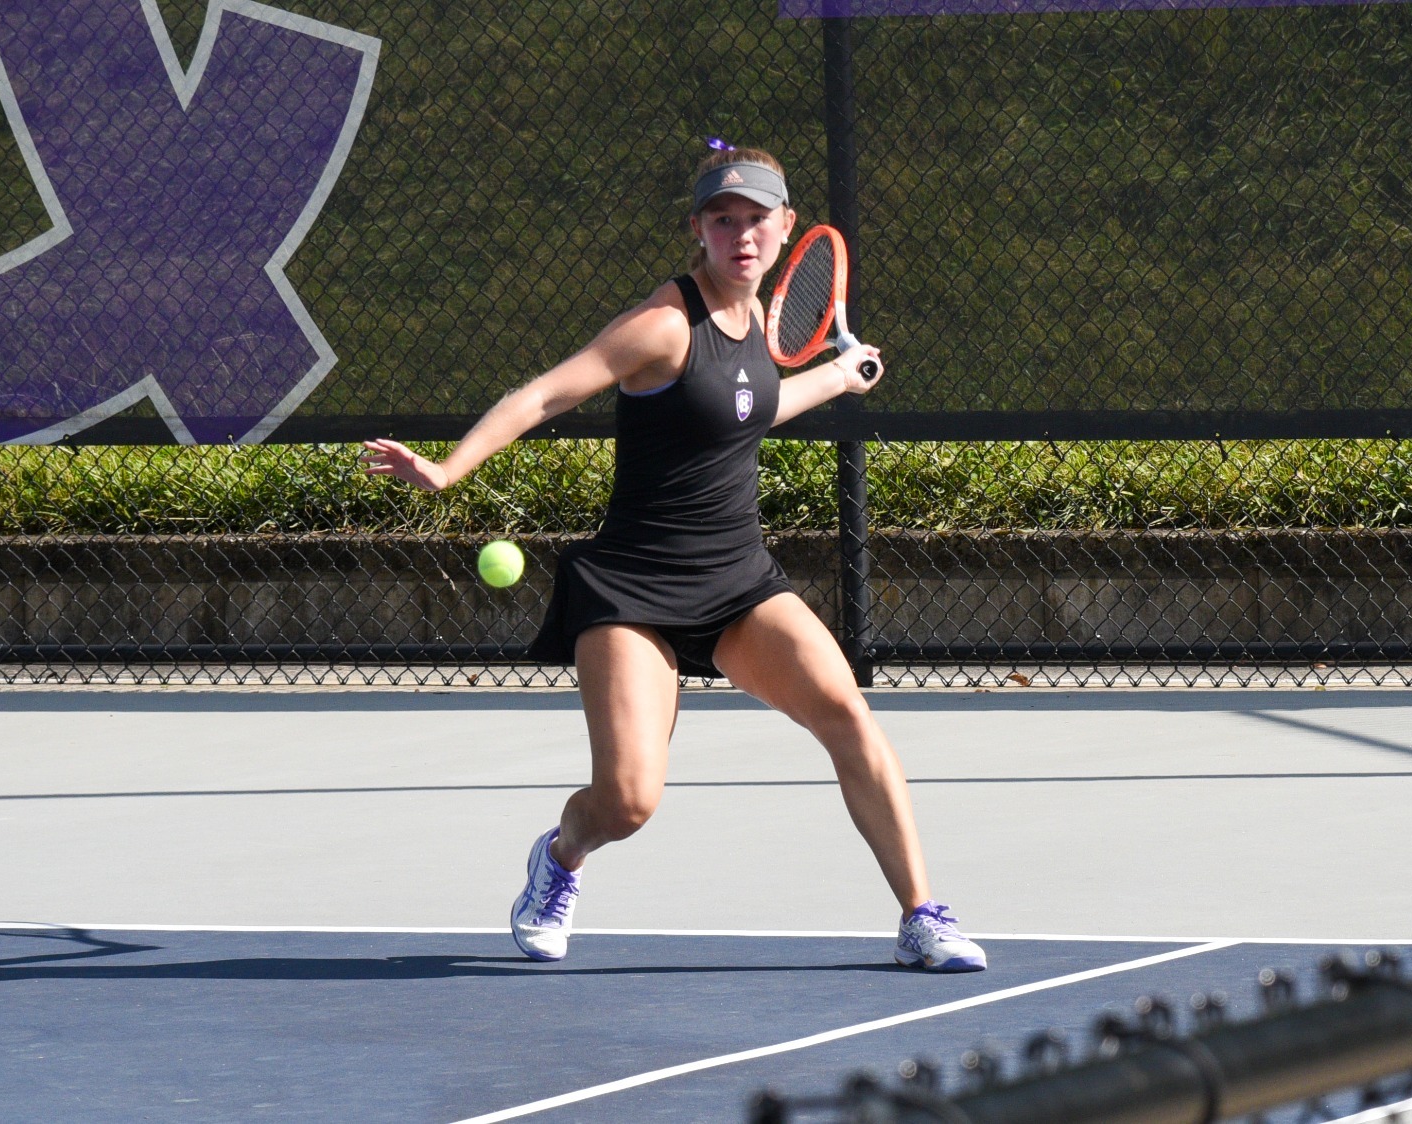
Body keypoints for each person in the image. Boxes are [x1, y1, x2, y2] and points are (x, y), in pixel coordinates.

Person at [360, 145, 984, 973]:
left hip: (738, 584)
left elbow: (749, 409)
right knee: (628, 801)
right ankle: (559, 858)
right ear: (699, 231)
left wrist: (837, 379)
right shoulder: (663, 324)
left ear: (785, 226)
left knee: (847, 715)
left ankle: (921, 916)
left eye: (758, 219)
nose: (742, 235)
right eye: (723, 220)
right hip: (632, 591)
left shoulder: (762, 324)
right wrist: (447, 469)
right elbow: (545, 393)